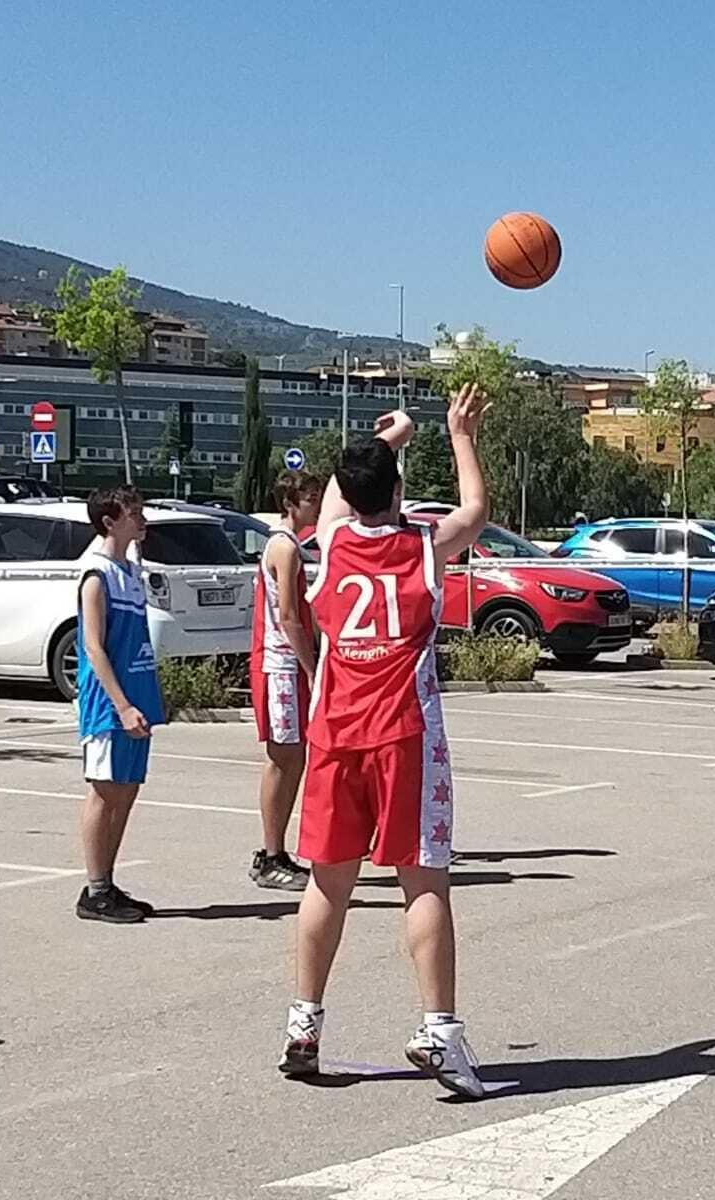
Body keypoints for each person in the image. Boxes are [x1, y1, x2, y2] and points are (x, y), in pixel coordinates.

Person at [278, 383, 491, 1099]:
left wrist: (390, 441)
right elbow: (476, 511)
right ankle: (440, 1032)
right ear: (398, 492)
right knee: (424, 880)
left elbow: (348, 487)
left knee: (326, 884)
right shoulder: (423, 548)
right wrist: (458, 434)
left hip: (335, 730)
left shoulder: (331, 540)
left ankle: (303, 1025)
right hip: (404, 732)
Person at [74, 485, 166, 923]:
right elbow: (93, 647)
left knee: (126, 791)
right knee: (104, 791)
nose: (141, 518)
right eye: (133, 512)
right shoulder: (96, 574)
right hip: (110, 703)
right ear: (110, 521)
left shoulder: (130, 569)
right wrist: (122, 704)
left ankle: (107, 882)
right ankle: (93, 891)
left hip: (138, 697)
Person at [248, 470, 324, 891]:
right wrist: (312, 669)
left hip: (287, 664)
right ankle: (270, 853)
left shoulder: (291, 545)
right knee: (283, 758)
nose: (315, 504)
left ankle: (278, 851)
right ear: (290, 503)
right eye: (309, 498)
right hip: (279, 665)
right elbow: (290, 617)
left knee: (294, 758)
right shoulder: (284, 547)